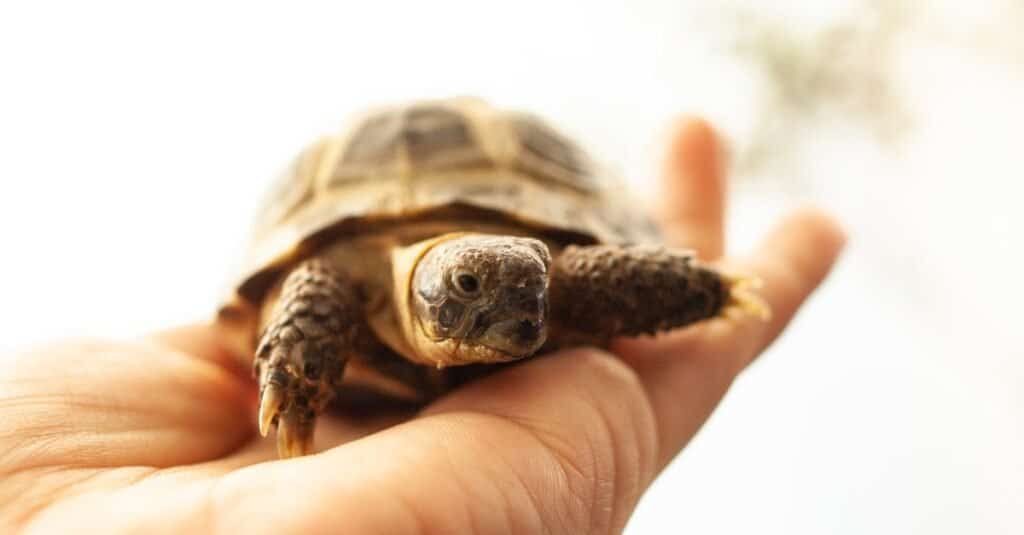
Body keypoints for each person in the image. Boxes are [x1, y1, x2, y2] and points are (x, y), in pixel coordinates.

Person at [0, 118, 845, 534]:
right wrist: (295, 370)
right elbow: (313, 284)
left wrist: (691, 290)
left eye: (530, 280)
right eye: (474, 284)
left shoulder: (552, 283)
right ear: (431, 282)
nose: (517, 303)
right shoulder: (336, 275)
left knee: (589, 281)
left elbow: (574, 278)